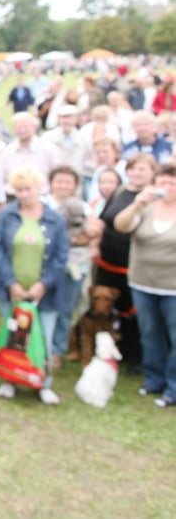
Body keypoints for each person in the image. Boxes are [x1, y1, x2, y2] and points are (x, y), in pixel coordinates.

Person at [0, 166, 69, 404]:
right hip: (12, 291)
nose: (23, 194)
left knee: (43, 337)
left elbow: (60, 256)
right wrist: (11, 283)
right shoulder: (7, 215)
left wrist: (43, 285)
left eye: (28, 189)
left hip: (44, 294)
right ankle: (10, 379)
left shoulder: (55, 219)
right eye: (18, 190)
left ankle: (43, 383)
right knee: (13, 336)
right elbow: (0, 251)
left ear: (39, 189)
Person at [111, 162, 176, 407]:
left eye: (172, 182)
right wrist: (138, 203)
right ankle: (153, 380)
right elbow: (121, 225)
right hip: (143, 283)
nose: (167, 187)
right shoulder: (146, 208)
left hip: (172, 286)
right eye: (163, 182)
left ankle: (173, 387)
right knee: (150, 333)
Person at [93, 153, 158, 373]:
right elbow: (103, 218)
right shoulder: (120, 192)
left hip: (134, 264)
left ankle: (137, 356)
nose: (137, 173)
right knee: (114, 309)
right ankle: (115, 348)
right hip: (107, 263)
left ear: (152, 173)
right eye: (133, 168)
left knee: (135, 312)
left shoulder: (154, 197)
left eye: (143, 169)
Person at [41, 165, 92, 369]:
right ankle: (37, 346)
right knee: (42, 307)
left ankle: (57, 350)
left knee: (65, 308)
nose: (62, 185)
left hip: (73, 265)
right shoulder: (41, 203)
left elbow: (90, 233)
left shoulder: (83, 207)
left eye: (68, 182)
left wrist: (62, 242)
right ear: (51, 182)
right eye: (59, 181)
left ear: (75, 186)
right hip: (44, 265)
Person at [0, 112, 59, 205]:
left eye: (25, 127)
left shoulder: (48, 149)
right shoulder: (7, 151)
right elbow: (0, 177)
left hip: (42, 199)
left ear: (34, 128)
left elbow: (56, 174)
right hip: (13, 199)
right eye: (18, 127)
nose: (21, 130)